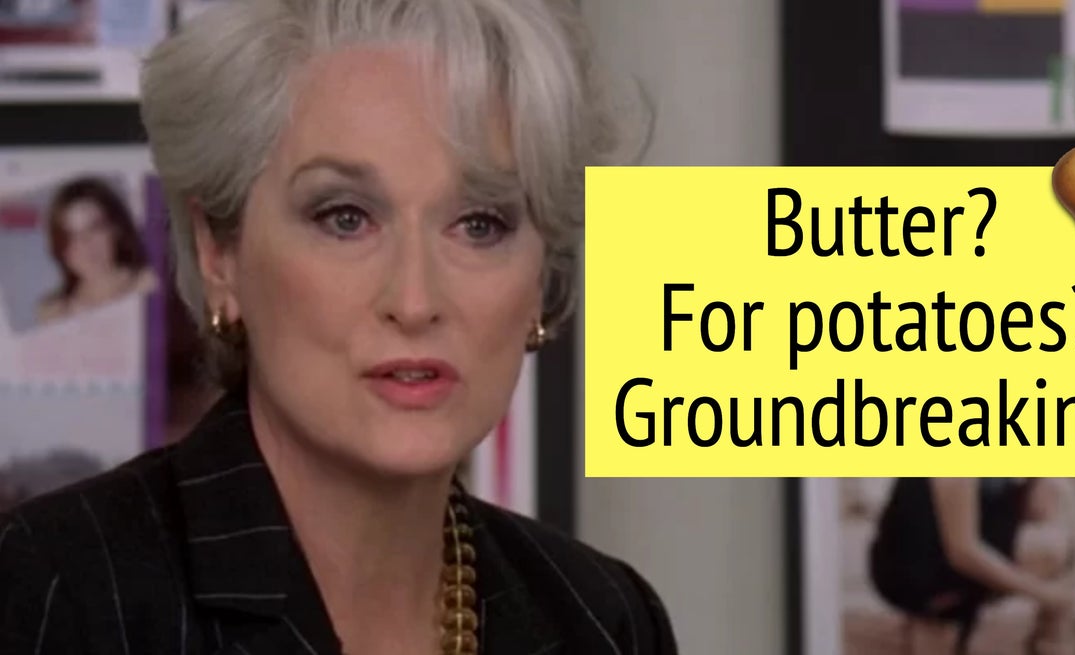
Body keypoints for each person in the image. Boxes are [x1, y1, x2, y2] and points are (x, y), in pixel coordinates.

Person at [0, 0, 673, 653]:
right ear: (219, 253)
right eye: (345, 218)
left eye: (480, 224)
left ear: (540, 276)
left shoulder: (604, 620)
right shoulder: (52, 594)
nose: (415, 301)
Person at [869, 478, 1075, 655]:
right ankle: (937, 615)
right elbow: (963, 553)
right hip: (918, 567)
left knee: (1058, 495)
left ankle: (1050, 640)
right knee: (1045, 552)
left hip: (968, 532)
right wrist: (1045, 593)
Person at [36, 177, 158, 326]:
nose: (85, 245)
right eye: (71, 236)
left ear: (116, 229)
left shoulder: (150, 284)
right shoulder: (52, 312)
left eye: (94, 228)